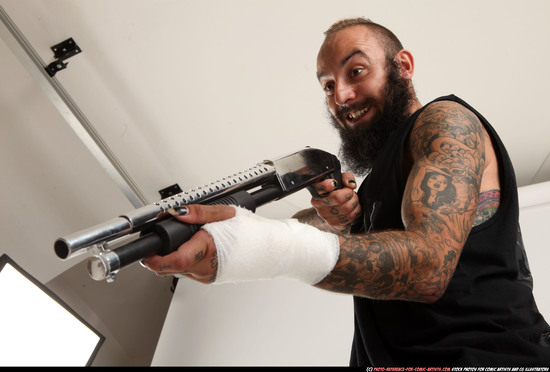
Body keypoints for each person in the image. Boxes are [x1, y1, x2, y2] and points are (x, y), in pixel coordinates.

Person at [142, 17, 550, 366]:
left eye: (355, 71)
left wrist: (263, 245)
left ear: (402, 65)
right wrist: (331, 221)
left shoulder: (445, 121)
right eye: (327, 85)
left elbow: (428, 267)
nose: (341, 96)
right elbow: (380, 260)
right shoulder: (375, 188)